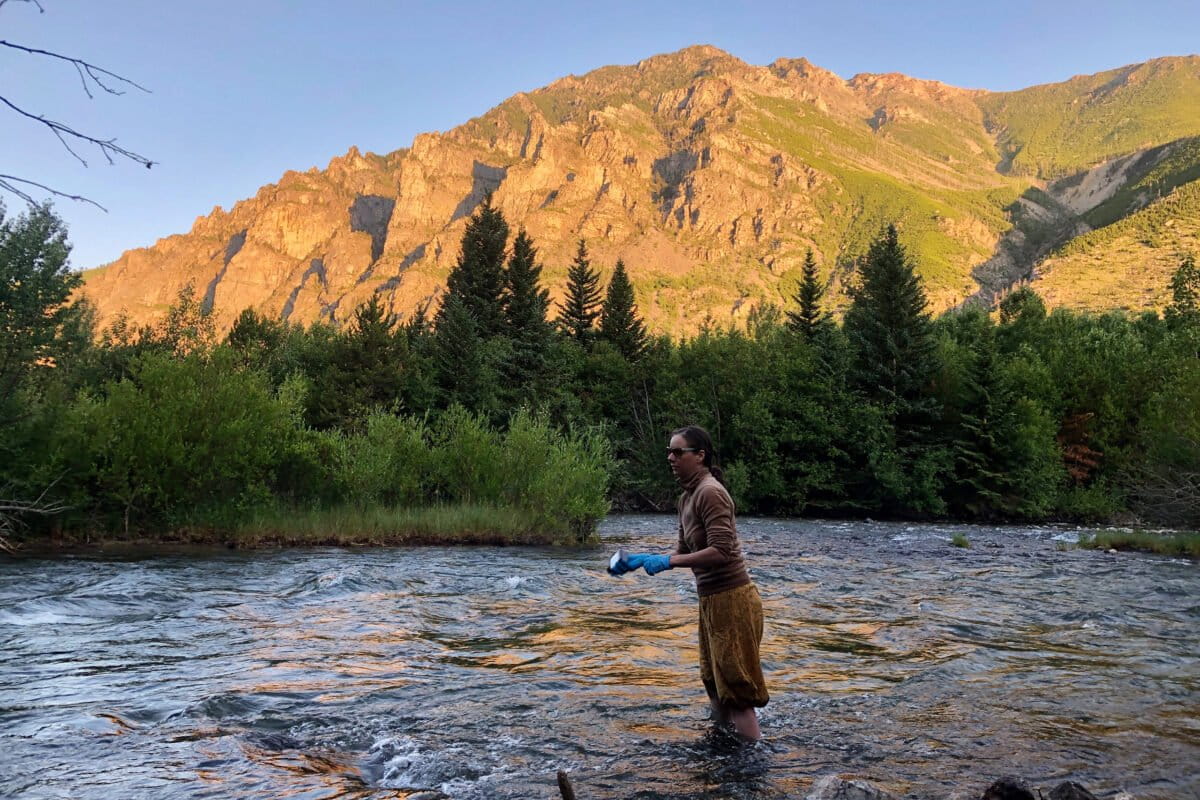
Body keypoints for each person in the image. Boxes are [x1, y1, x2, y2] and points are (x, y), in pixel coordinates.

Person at [615, 425, 769, 741]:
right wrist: (644, 559)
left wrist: (668, 562)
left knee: (737, 690)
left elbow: (721, 551)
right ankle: (721, 746)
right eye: (669, 452)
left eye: (678, 452)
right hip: (711, 600)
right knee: (713, 682)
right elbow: (685, 551)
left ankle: (751, 770)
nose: (671, 458)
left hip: (733, 599)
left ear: (700, 456)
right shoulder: (686, 498)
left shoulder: (710, 492)